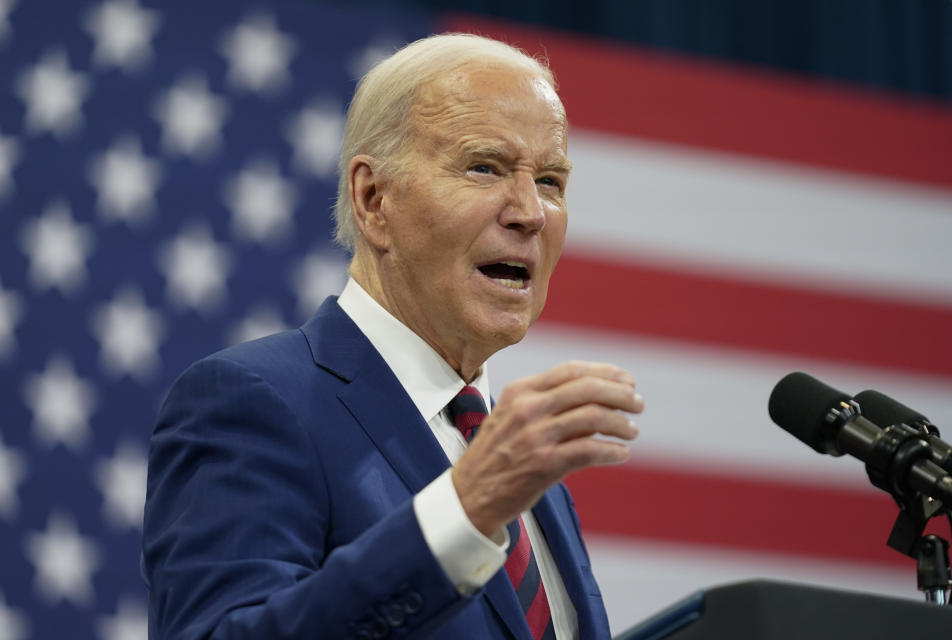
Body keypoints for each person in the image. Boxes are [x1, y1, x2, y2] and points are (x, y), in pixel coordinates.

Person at [142, 33, 644, 640]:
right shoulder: (254, 402)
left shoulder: (519, 466)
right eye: (484, 167)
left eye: (551, 181)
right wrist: (466, 510)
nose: (530, 212)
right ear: (373, 199)